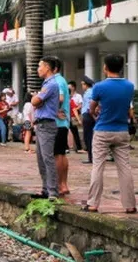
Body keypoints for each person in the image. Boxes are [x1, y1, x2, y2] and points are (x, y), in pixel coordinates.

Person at [82, 54, 136, 214]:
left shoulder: (99, 87)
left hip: (103, 129)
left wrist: (96, 114)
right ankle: (130, 205)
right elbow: (127, 107)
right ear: (121, 68)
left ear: (105, 67)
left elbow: (91, 108)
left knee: (98, 166)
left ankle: (93, 203)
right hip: (122, 130)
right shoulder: (129, 86)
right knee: (124, 167)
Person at [30, 56, 61, 200]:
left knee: (47, 158)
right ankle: (45, 189)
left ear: (47, 67)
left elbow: (35, 101)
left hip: (47, 124)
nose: (38, 69)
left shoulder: (51, 85)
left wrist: (36, 98)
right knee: (40, 159)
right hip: (41, 124)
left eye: (39, 66)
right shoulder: (46, 84)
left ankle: (53, 191)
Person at [50, 58, 72, 196]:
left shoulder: (56, 81)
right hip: (63, 123)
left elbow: (60, 98)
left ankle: (59, 184)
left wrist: (52, 109)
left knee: (57, 154)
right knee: (61, 154)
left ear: (54, 68)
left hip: (57, 123)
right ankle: (63, 184)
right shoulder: (62, 80)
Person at [80, 76, 96, 164]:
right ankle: (91, 157)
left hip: (88, 115)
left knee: (88, 137)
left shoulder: (89, 92)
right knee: (89, 137)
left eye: (82, 84)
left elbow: (90, 106)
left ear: (86, 85)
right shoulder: (90, 92)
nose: (82, 86)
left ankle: (91, 158)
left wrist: (93, 116)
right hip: (89, 115)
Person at [68, 81, 85, 154]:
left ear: (73, 87)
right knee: (74, 132)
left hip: (71, 117)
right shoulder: (69, 99)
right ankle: (78, 148)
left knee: (73, 132)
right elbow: (74, 109)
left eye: (70, 87)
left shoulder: (77, 96)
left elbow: (78, 107)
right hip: (69, 117)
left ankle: (73, 148)